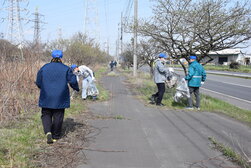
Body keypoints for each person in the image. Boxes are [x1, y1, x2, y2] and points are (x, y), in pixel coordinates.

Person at [36, 50, 79, 144]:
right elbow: (73, 81)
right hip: (60, 96)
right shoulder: (66, 68)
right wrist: (76, 88)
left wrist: (42, 88)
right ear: (61, 57)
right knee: (58, 115)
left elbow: (39, 81)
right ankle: (55, 136)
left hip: (46, 95)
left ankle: (48, 131)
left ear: (51, 57)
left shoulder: (44, 67)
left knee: (46, 114)